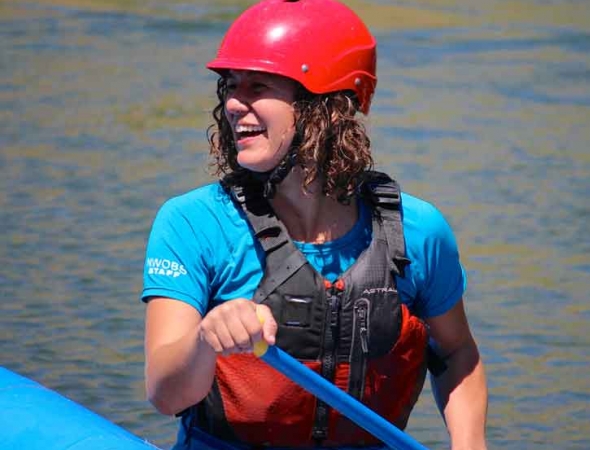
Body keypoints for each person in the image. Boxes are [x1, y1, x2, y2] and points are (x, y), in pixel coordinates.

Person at [141, 0, 488, 449]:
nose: (232, 104)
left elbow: (456, 352)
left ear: (324, 107)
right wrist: (207, 339)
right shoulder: (192, 222)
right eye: (230, 85)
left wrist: (469, 443)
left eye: (258, 86)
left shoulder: (418, 231)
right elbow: (165, 395)